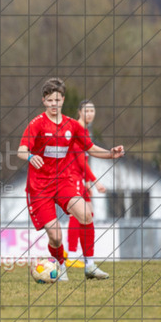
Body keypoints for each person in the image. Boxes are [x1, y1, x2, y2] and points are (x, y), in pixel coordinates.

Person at [18, 78, 124, 281]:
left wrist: (111, 154)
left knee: (85, 213)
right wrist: (30, 156)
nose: (54, 104)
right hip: (39, 188)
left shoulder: (72, 125)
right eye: (50, 100)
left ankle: (90, 265)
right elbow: (21, 150)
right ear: (44, 101)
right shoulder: (37, 124)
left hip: (63, 182)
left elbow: (91, 148)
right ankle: (60, 264)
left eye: (57, 100)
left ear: (63, 100)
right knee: (56, 237)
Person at [64, 100, 108, 277]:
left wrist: (87, 182)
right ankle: (71, 254)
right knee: (79, 215)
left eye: (92, 110)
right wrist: (95, 181)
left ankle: (84, 258)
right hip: (72, 177)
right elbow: (80, 159)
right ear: (79, 112)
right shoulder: (76, 129)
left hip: (80, 179)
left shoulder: (85, 131)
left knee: (88, 214)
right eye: (87, 110)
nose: (90, 114)